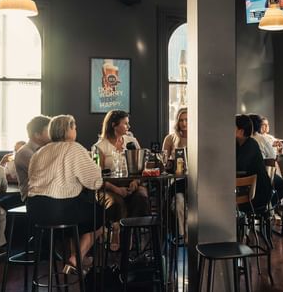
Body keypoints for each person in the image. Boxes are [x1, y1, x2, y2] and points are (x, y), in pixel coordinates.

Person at [27, 115, 103, 274]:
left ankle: (76, 258)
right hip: (59, 210)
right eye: (74, 127)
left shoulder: (39, 152)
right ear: (68, 130)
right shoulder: (74, 148)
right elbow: (95, 182)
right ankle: (76, 258)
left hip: (34, 210)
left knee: (81, 212)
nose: (76, 131)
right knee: (100, 214)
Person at [95, 110, 150, 251]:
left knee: (141, 198)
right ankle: (116, 230)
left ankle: (130, 233)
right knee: (116, 202)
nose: (128, 126)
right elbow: (97, 176)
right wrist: (117, 189)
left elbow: (142, 166)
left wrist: (136, 182)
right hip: (109, 187)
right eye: (125, 123)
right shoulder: (100, 146)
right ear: (114, 125)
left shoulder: (132, 141)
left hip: (133, 183)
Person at [249, 114, 283, 204]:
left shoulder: (242, 139)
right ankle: (269, 205)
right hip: (261, 177)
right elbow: (272, 157)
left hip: (244, 178)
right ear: (258, 126)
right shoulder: (262, 139)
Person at [236, 114, 271, 210]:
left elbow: (240, 167)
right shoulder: (238, 144)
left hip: (257, 194)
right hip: (246, 190)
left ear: (241, 131)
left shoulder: (251, 145)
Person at [162, 107, 187, 241]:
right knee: (179, 201)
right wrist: (169, 164)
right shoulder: (170, 139)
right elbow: (163, 162)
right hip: (176, 180)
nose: (184, 123)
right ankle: (183, 235)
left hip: (193, 181)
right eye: (181, 120)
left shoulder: (197, 138)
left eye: (187, 120)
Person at [15, 115, 51, 202]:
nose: (52, 133)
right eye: (49, 130)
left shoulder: (45, 149)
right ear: (37, 135)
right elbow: (46, 174)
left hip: (44, 196)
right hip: (33, 199)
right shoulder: (25, 152)